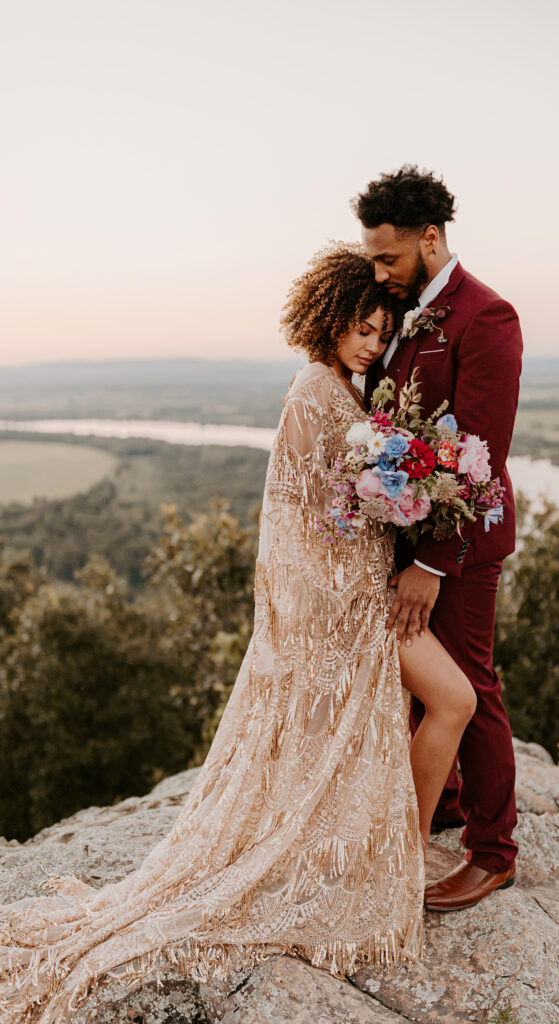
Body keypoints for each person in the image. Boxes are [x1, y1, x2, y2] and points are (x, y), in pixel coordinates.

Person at [0, 243, 476, 1024]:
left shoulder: (340, 390)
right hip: (347, 611)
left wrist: (413, 494)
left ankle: (401, 852)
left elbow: (342, 506)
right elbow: (293, 525)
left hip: (367, 600)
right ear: (327, 321)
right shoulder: (316, 392)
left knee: (450, 703)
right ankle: (403, 859)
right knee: (451, 701)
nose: (368, 341)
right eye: (358, 326)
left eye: (378, 329)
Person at [354, 166, 524, 912]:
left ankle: (493, 852)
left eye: (388, 257)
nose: (379, 272)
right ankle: (448, 801)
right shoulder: (405, 312)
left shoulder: (486, 316)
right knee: (424, 687)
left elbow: (482, 457)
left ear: (430, 239)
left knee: (471, 689)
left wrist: (430, 562)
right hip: (406, 532)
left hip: (460, 549)